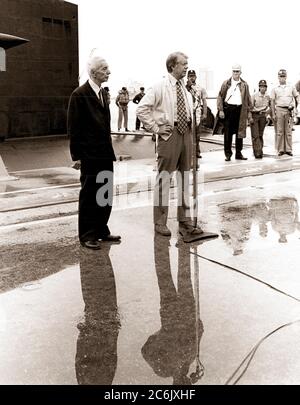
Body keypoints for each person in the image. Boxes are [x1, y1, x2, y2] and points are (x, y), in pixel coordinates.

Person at [137, 51, 204, 237]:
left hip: (187, 134)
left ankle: (184, 220)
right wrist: (156, 128)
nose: (186, 67)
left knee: (184, 178)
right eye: (183, 64)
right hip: (169, 135)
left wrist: (194, 123)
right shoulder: (159, 87)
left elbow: (191, 110)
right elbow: (141, 109)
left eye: (186, 63)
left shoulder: (185, 88)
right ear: (172, 66)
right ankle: (160, 222)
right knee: (164, 178)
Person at [67, 55, 121, 250]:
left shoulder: (103, 94)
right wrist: (77, 156)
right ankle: (87, 234)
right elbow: (74, 128)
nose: (109, 71)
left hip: (105, 153)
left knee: (104, 194)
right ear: (94, 72)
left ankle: (101, 230)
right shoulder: (79, 95)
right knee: (90, 195)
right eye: (105, 68)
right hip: (90, 155)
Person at [213, 64, 253, 161]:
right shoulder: (226, 83)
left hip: (240, 109)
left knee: (240, 133)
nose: (236, 73)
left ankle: (238, 153)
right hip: (228, 109)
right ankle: (228, 154)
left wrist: (249, 112)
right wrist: (221, 110)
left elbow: (248, 99)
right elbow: (220, 96)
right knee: (228, 133)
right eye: (234, 71)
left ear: (240, 72)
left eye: (237, 71)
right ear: (232, 72)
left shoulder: (245, 85)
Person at [271, 69, 300, 156]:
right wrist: (273, 113)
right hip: (279, 109)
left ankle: (288, 149)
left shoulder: (291, 87)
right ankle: (280, 150)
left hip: (289, 111)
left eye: (284, 76)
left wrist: (296, 107)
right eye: (280, 76)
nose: (282, 78)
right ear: (278, 77)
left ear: (286, 77)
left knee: (288, 131)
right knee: (279, 131)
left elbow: (297, 96)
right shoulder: (275, 88)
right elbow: (272, 101)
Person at [186, 70, 207, 159]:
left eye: (193, 76)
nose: (192, 77)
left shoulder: (200, 88)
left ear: (196, 77)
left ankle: (197, 151)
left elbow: (204, 101)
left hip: (197, 112)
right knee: (188, 134)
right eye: (190, 76)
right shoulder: (185, 88)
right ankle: (188, 152)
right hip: (187, 113)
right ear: (187, 77)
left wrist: (205, 113)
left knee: (197, 134)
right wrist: (188, 86)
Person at [250, 80, 271, 159]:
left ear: (266, 88)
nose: (263, 88)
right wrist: (250, 117)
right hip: (254, 115)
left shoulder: (267, 96)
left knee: (260, 134)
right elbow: (250, 108)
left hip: (262, 116)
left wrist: (267, 114)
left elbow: (271, 106)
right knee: (255, 135)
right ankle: (257, 153)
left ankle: (259, 151)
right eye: (261, 86)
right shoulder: (254, 96)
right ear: (259, 87)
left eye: (264, 87)